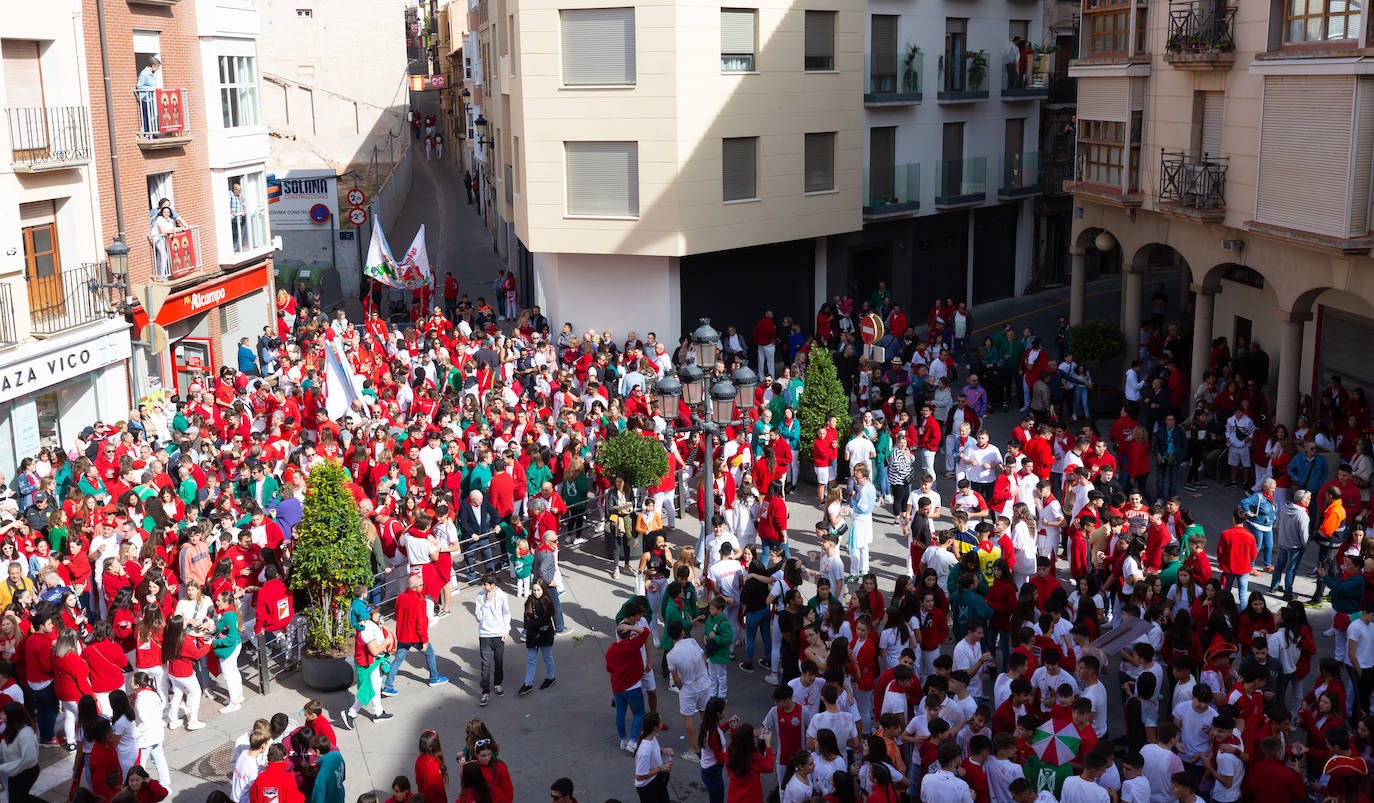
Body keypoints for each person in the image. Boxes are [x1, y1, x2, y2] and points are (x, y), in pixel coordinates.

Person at [383, 574, 448, 695]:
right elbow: (421, 623)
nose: (423, 586)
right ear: (417, 587)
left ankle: (388, 685)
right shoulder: (419, 601)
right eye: (422, 584)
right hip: (415, 637)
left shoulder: (400, 597)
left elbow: (396, 615)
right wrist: (424, 640)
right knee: (430, 653)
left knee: (397, 660)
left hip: (402, 635)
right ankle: (434, 678)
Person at [340, 605, 394, 729]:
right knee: (367, 690)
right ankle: (351, 713)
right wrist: (386, 642)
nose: (379, 614)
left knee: (373, 687)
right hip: (368, 663)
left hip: (371, 663)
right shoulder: (367, 629)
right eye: (377, 613)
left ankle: (378, 712)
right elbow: (374, 651)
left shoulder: (368, 625)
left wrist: (380, 626)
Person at [475, 574, 511, 707]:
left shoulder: (502, 596)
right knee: (485, 664)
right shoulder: (480, 596)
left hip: (498, 634)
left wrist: (506, 630)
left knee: (499, 661)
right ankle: (485, 691)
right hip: (484, 635)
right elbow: (479, 617)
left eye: (485, 584)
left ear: (492, 585)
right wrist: (487, 603)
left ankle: (497, 684)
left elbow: (506, 613)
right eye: (483, 584)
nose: (483, 587)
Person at [520, 578, 557, 695]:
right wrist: (528, 626)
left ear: (543, 590)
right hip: (532, 636)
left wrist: (528, 625)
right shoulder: (529, 601)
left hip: (545, 635)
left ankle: (550, 678)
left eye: (538, 590)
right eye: (534, 590)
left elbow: (544, 620)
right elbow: (526, 617)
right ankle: (527, 683)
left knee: (547, 657)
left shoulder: (547, 602)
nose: (536, 592)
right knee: (531, 660)